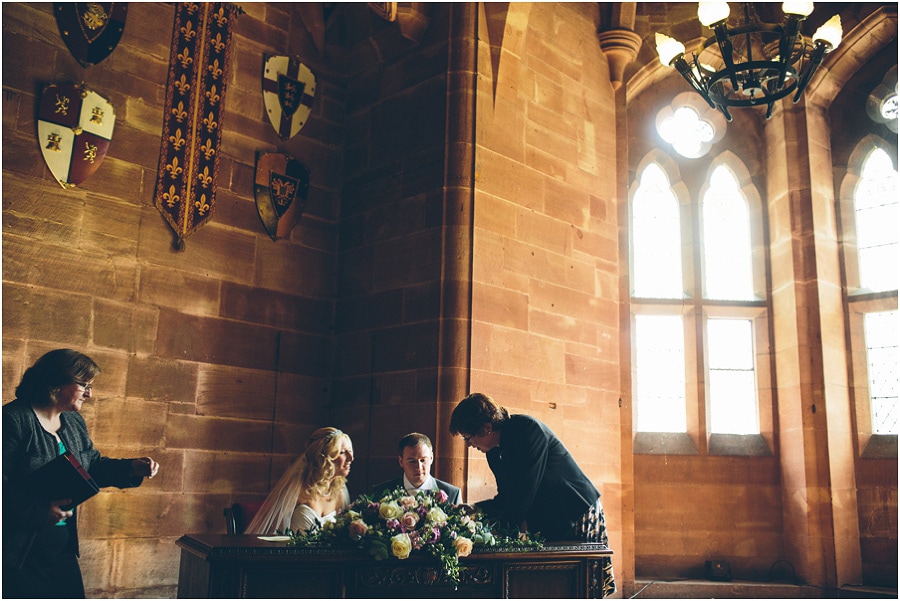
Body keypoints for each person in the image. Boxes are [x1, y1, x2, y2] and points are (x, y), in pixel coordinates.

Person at [2, 349, 160, 599]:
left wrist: (132, 467)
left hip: (62, 550)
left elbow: (91, 465)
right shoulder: (12, 420)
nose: (90, 393)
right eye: (84, 385)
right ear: (56, 382)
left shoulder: (74, 422)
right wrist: (37, 511)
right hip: (18, 554)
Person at [450, 392, 616, 596]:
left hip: (575, 510)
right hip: (550, 516)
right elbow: (506, 497)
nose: (468, 444)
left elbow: (523, 493)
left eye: (468, 437)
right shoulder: (494, 452)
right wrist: (475, 509)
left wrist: (500, 535)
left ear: (487, 428)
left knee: (583, 585)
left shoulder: (526, 429)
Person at [246, 427, 353, 535]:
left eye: (350, 451)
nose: (351, 457)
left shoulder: (339, 491)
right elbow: (274, 530)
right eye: (342, 452)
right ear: (325, 456)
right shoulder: (297, 487)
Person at [372, 432, 462, 503]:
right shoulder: (380, 493)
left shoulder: (452, 494)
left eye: (423, 460)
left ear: (431, 458)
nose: (418, 467)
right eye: (412, 461)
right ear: (401, 461)